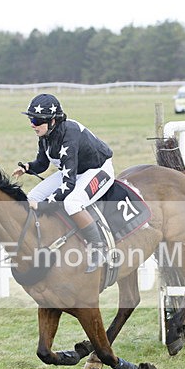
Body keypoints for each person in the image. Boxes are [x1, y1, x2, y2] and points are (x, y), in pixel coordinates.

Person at [12, 93, 114, 272]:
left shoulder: (69, 136)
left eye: (36, 121)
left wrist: (43, 206)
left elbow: (68, 184)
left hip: (97, 170)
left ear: (52, 121)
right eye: (31, 120)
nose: (32, 125)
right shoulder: (46, 134)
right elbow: (43, 163)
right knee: (32, 196)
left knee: (72, 203)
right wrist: (27, 167)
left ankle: (99, 248)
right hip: (75, 171)